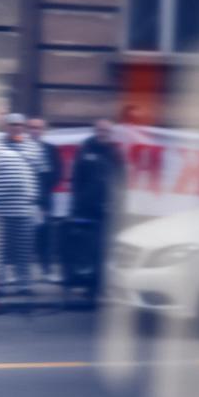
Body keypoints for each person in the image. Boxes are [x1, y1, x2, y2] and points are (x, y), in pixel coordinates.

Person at [66, 118, 127, 296]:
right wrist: (77, 203)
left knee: (103, 250)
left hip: (107, 210)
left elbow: (122, 181)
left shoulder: (115, 152)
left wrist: (118, 204)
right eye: (100, 130)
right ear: (95, 131)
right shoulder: (85, 149)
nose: (103, 134)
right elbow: (76, 178)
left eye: (106, 131)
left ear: (111, 133)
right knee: (87, 250)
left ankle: (100, 287)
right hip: (86, 209)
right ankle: (90, 285)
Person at [0, 115, 40, 298]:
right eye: (13, 124)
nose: (17, 128)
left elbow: (40, 174)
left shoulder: (32, 147)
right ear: (6, 126)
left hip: (24, 208)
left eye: (20, 125)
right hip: (0, 208)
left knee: (24, 250)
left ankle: (24, 285)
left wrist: (36, 200)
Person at [25, 117, 60, 278]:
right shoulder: (20, 148)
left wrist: (43, 191)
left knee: (44, 237)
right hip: (23, 201)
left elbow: (58, 173)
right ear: (28, 129)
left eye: (38, 128)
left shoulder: (50, 149)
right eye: (32, 127)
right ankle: (22, 272)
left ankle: (46, 270)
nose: (35, 131)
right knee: (23, 237)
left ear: (43, 130)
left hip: (44, 202)